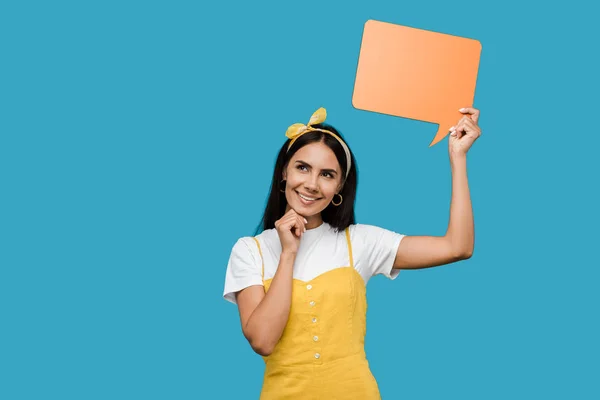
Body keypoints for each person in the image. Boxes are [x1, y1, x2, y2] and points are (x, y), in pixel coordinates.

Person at [223, 107, 481, 399]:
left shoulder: (360, 242)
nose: (311, 184)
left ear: (339, 186)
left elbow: (458, 247)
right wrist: (288, 254)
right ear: (284, 172)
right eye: (302, 167)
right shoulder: (250, 250)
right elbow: (263, 341)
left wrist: (458, 157)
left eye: (327, 174)